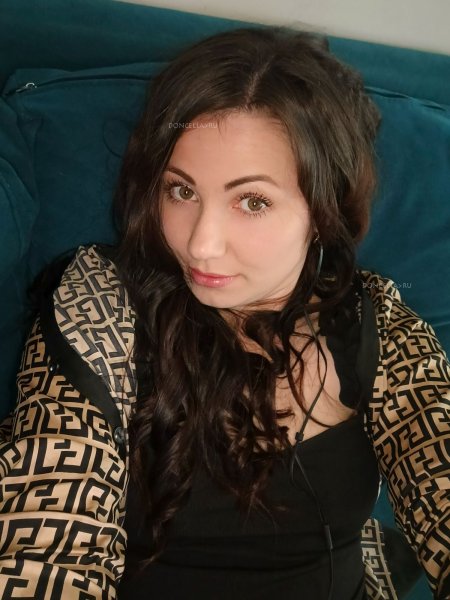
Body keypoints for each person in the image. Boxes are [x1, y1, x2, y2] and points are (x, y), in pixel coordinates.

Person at [0, 25, 449, 600]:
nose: (201, 244)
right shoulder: (102, 298)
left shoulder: (375, 319)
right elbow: (49, 532)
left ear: (324, 210)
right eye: (182, 191)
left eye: (252, 201)